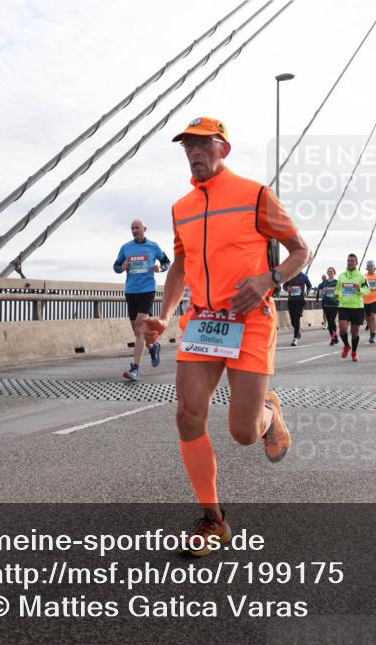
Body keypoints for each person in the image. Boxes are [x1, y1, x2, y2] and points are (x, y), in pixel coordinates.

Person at [140, 116, 310, 556]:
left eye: (203, 145)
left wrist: (269, 279)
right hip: (202, 320)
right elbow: (180, 265)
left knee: (243, 433)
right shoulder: (181, 208)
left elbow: (300, 251)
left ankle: (269, 413)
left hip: (250, 318)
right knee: (187, 415)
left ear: (224, 149)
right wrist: (165, 315)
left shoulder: (255, 195)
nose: (194, 153)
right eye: (187, 146)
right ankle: (213, 519)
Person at [113, 218, 171, 381]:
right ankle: (153, 347)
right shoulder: (126, 248)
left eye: (137, 228)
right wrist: (122, 267)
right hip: (131, 291)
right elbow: (116, 266)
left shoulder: (153, 246)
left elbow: (167, 262)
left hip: (147, 290)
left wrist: (160, 268)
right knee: (137, 331)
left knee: (139, 326)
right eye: (132, 228)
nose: (134, 231)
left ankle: (135, 369)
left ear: (144, 229)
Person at [335, 253, 370, 362]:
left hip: (357, 307)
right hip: (344, 306)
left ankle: (354, 352)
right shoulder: (341, 276)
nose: (350, 262)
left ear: (356, 262)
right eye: (348, 260)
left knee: (354, 333)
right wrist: (337, 294)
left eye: (352, 261)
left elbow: (367, 290)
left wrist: (359, 289)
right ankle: (346, 346)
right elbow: (338, 288)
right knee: (342, 330)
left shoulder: (361, 276)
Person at [283, 270, 312, 346]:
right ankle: (297, 329)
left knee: (297, 317)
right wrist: (287, 289)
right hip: (291, 301)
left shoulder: (304, 276)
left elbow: (309, 286)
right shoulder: (290, 275)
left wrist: (307, 292)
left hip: (300, 301)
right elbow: (284, 286)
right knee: (293, 322)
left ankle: (295, 339)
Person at [316, 267, 340, 345]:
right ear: (327, 273)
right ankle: (333, 337)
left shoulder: (337, 282)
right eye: (329, 271)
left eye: (331, 271)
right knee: (330, 322)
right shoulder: (324, 283)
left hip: (335, 304)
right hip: (326, 304)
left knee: (332, 320)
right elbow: (320, 295)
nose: (330, 273)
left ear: (334, 273)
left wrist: (336, 293)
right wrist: (323, 291)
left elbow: (340, 293)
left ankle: (335, 335)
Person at [362, 260, 376, 344]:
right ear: (367, 268)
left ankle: (373, 334)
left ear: (374, 268)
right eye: (369, 266)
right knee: (367, 317)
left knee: (373, 316)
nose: (370, 268)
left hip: (375, 298)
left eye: (371, 266)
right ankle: (371, 330)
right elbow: (362, 286)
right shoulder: (364, 276)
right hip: (365, 299)